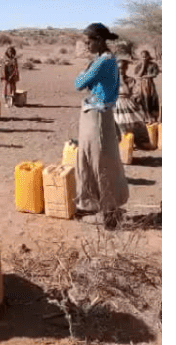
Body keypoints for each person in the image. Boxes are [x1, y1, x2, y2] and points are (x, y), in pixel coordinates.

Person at [73, 23, 129, 228]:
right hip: (94, 113)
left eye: (88, 41)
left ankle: (110, 211)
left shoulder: (102, 62)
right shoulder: (104, 60)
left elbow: (79, 83)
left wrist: (83, 74)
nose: (86, 46)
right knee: (88, 158)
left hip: (97, 115)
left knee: (101, 162)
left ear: (98, 40)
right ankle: (89, 204)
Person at [114, 59, 153, 149]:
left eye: (123, 69)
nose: (121, 71)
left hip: (127, 102)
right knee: (118, 121)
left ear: (126, 68)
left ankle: (131, 141)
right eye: (119, 69)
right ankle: (120, 141)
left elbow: (130, 91)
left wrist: (122, 80)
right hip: (116, 102)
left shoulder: (130, 80)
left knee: (130, 121)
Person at [134, 50, 160, 124]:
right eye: (142, 57)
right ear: (140, 57)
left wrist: (146, 76)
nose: (144, 58)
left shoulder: (153, 65)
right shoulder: (139, 65)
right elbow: (138, 75)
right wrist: (143, 65)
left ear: (148, 56)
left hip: (150, 84)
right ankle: (145, 116)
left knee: (152, 98)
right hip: (142, 85)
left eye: (145, 56)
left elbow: (155, 74)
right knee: (143, 99)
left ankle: (153, 116)